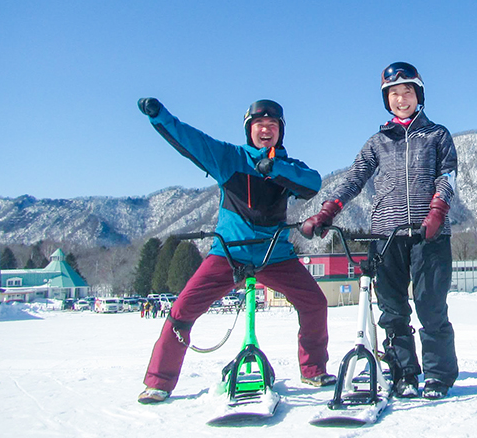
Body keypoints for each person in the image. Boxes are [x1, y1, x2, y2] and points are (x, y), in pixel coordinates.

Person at [135, 98, 335, 404]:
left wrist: (275, 168)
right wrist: (159, 116)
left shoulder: (289, 166)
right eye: (259, 125)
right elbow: (191, 139)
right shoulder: (229, 158)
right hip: (229, 252)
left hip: (274, 254)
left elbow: (312, 183)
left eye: (272, 125)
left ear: (280, 131)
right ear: (248, 130)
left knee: (315, 303)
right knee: (181, 311)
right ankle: (158, 382)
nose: (266, 130)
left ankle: (313, 369)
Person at [300, 62, 458, 400]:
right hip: (386, 237)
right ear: (387, 100)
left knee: (431, 307)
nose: (402, 99)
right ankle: (404, 374)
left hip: (429, 236)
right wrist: (328, 211)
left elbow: (447, 177)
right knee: (393, 310)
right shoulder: (377, 142)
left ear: (419, 96)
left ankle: (438, 376)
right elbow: (354, 179)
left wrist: (436, 213)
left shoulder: (437, 135)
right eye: (395, 94)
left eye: (408, 92)